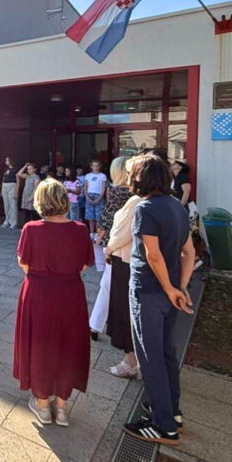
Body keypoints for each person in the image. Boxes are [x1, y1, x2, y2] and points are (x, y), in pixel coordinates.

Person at [123, 154, 194, 446]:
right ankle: (171, 411)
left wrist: (168, 287)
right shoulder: (177, 206)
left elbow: (152, 255)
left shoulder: (146, 209)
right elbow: (189, 251)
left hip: (149, 291)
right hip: (169, 292)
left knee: (149, 357)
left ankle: (163, 426)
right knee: (166, 353)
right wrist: (180, 287)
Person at [13, 178, 95, 427]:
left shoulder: (31, 229)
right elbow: (85, 265)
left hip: (39, 293)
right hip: (71, 292)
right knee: (68, 345)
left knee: (40, 343)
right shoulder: (80, 229)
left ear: (40, 201)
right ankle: (61, 407)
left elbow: (24, 264)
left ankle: (42, 405)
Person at [102, 158, 141, 376]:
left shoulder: (136, 202)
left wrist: (108, 249)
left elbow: (120, 233)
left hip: (126, 261)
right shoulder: (167, 201)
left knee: (126, 311)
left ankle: (131, 361)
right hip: (137, 261)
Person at [89, 157, 132, 340]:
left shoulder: (117, 192)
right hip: (125, 243)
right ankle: (97, 324)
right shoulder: (132, 192)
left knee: (107, 283)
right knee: (109, 283)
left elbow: (107, 217)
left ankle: (96, 324)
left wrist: (99, 238)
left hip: (115, 243)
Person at [83, 160, 108, 236]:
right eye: (94, 166)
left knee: (98, 217)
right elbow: (85, 187)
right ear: (91, 166)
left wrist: (99, 198)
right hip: (89, 195)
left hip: (98, 195)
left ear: (99, 166)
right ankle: (91, 233)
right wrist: (87, 197)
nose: (96, 167)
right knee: (90, 217)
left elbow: (103, 188)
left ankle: (97, 233)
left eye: (97, 166)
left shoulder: (103, 176)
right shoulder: (88, 176)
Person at [1, 156, 20, 229]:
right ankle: (7, 221)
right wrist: (1, 190)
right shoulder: (6, 169)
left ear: (10, 161)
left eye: (6, 160)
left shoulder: (16, 169)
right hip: (4, 186)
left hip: (12, 185)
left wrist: (16, 191)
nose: (5, 161)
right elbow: (3, 178)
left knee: (13, 204)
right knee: (6, 205)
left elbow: (18, 181)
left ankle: (14, 223)